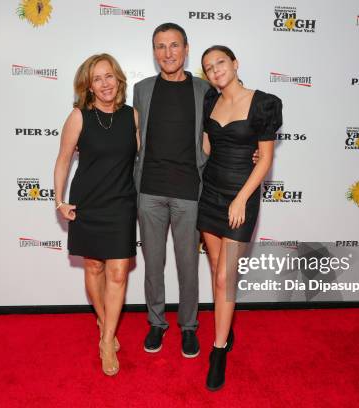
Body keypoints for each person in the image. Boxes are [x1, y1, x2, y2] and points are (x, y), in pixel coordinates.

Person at [197, 45, 282, 391]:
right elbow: (206, 147)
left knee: (224, 279)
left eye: (220, 63)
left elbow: (264, 160)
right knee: (218, 271)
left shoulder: (263, 103)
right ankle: (225, 326)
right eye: (208, 67)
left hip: (240, 200)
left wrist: (241, 199)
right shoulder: (209, 102)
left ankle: (218, 352)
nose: (215, 70)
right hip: (211, 194)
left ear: (235, 64)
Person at [53, 53, 139, 376]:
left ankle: (106, 339)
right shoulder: (79, 116)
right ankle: (105, 320)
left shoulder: (133, 116)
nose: (105, 84)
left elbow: (148, 156)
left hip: (121, 203)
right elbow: (63, 160)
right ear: (88, 87)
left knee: (118, 272)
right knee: (93, 266)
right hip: (88, 202)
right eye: (97, 79)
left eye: (109, 76)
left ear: (118, 79)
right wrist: (59, 201)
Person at [132, 23, 212, 358]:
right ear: (154, 52)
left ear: (186, 48)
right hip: (149, 190)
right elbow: (132, 135)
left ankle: (189, 327)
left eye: (174, 45)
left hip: (188, 191)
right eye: (160, 46)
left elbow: (223, 128)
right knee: (152, 263)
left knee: (188, 266)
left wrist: (253, 149)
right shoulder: (142, 89)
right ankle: (156, 322)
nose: (167, 53)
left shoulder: (205, 89)